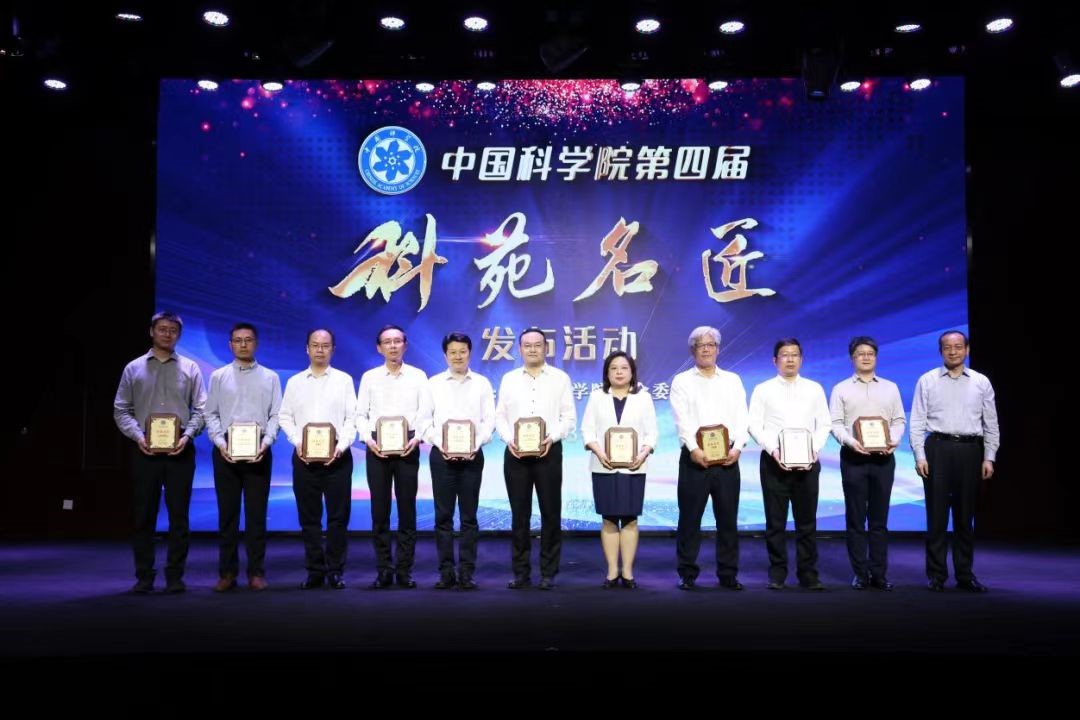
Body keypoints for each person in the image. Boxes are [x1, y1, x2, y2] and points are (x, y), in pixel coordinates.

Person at [113, 312, 206, 594]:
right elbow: (121, 409)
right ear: (151, 331)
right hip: (145, 449)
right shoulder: (133, 368)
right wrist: (138, 436)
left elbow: (202, 409)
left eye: (173, 330)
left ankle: (175, 576)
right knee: (144, 515)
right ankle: (144, 576)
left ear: (179, 335)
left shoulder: (190, 368)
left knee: (179, 517)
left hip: (181, 449)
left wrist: (188, 435)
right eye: (162, 329)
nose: (167, 334)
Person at [910, 330, 1000, 593]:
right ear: (941, 351)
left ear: (967, 350)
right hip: (937, 447)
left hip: (971, 450)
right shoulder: (927, 380)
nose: (953, 351)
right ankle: (936, 575)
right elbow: (917, 421)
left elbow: (991, 423)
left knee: (965, 516)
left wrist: (989, 457)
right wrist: (920, 455)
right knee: (936, 516)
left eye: (958, 346)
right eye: (947, 347)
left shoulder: (981, 382)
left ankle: (965, 575)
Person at [495, 328, 576, 590]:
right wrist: (509, 439)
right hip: (515, 454)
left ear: (546, 348)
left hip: (548, 453)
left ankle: (548, 572)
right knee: (519, 515)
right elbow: (500, 416)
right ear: (520, 349)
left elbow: (568, 418)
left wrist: (551, 437)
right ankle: (521, 572)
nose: (532, 349)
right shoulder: (509, 379)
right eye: (527, 345)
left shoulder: (560, 378)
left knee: (550, 513)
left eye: (537, 345)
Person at [669, 326, 749, 591]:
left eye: (711, 344)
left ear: (718, 349)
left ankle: (728, 574)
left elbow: (742, 417)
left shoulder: (732, 380)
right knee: (689, 518)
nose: (706, 349)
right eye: (700, 345)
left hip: (728, 459)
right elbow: (681, 420)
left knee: (728, 519)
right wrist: (694, 448)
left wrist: (738, 447)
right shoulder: (682, 381)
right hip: (695, 459)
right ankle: (687, 573)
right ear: (693, 350)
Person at [748, 338, 831, 591]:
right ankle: (777, 573)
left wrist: (814, 449)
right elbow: (754, 425)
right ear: (775, 360)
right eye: (785, 355)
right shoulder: (763, 389)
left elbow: (824, 423)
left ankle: (808, 574)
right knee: (775, 522)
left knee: (807, 521)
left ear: (801, 359)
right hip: (774, 462)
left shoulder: (814, 389)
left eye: (795, 354)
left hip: (808, 462)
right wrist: (773, 449)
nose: (790, 359)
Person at [205, 322, 282, 592]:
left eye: (248, 340)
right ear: (230, 345)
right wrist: (219, 442)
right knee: (227, 515)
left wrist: (267, 442)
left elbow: (276, 415)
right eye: (237, 340)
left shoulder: (270, 377)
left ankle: (256, 572)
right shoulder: (218, 376)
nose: (243, 344)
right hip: (225, 450)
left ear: (256, 343)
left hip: (259, 451)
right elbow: (210, 413)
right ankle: (227, 573)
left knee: (256, 516)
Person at [278, 329, 356, 590]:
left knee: (338, 518)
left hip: (338, 459)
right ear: (307, 349)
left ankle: (335, 570)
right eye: (315, 345)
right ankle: (314, 570)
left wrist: (341, 447)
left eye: (325, 345)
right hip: (304, 458)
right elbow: (285, 416)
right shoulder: (295, 382)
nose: (320, 350)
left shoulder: (344, 380)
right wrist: (297, 441)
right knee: (309, 519)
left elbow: (351, 418)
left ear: (333, 349)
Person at [356, 324, 432, 589]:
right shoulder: (369, 378)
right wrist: (368, 440)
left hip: (408, 446)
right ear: (379, 348)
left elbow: (425, 413)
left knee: (407, 510)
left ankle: (404, 570)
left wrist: (417, 437)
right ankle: (383, 570)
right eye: (387, 342)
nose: (392, 346)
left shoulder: (418, 376)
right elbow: (360, 414)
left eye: (397, 341)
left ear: (405, 345)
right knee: (380, 512)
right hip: (377, 447)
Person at [829, 336, 906, 591]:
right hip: (853, 458)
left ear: (876, 357)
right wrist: (851, 442)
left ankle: (879, 574)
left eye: (870, 353)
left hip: (884, 458)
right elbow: (835, 424)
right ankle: (860, 573)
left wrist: (894, 439)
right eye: (860, 353)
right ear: (852, 358)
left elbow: (899, 420)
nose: (866, 357)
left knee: (879, 520)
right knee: (855, 518)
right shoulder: (841, 389)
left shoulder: (890, 388)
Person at [423, 332, 495, 590]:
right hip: (441, 457)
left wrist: (476, 444)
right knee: (443, 516)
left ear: (470, 353)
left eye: (462, 351)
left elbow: (489, 421)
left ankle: (466, 572)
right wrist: (440, 443)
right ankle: (446, 572)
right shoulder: (433, 384)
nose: (458, 356)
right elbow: (424, 422)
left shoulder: (482, 384)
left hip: (472, 457)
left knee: (469, 517)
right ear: (445, 355)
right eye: (452, 352)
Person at [581, 351, 657, 589]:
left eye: (624, 368)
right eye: (613, 368)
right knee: (609, 519)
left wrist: (643, 453)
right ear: (607, 373)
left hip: (635, 467)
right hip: (603, 466)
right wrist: (599, 451)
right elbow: (587, 430)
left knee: (631, 519)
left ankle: (628, 572)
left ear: (632, 372)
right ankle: (612, 571)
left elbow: (651, 433)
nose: (619, 372)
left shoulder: (643, 398)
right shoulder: (597, 397)